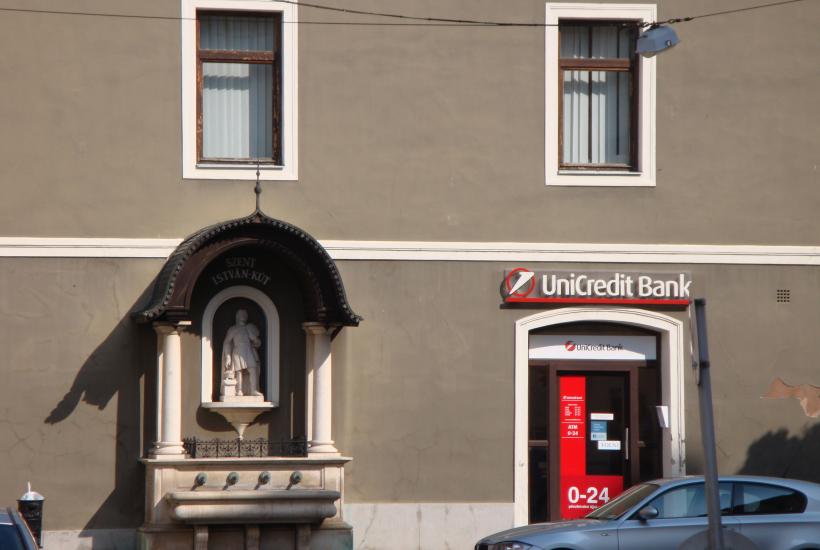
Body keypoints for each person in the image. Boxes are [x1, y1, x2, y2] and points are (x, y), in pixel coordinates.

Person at [221, 309, 263, 397]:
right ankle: (239, 390)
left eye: (245, 314)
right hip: (238, 350)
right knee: (238, 371)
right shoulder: (233, 329)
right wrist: (228, 356)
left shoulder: (249, 328)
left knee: (253, 369)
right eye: (241, 314)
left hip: (248, 349)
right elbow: (227, 342)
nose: (243, 316)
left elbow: (258, 343)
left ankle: (253, 390)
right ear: (237, 316)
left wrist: (253, 338)